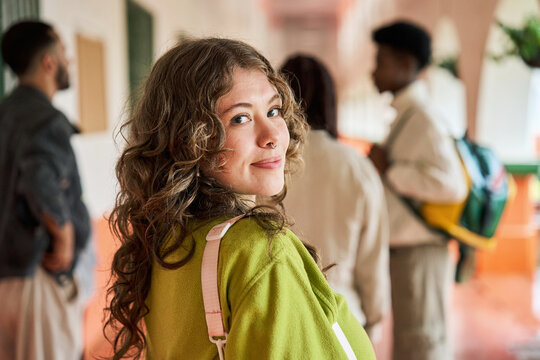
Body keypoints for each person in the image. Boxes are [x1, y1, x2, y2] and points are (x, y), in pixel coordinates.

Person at [106, 38, 376, 359]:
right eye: (240, 118)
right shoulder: (260, 251)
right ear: (189, 139)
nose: (274, 135)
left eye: (273, 110)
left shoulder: (167, 240)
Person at [369, 20, 467, 360]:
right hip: (409, 250)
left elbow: (451, 186)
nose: (373, 70)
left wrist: (391, 171)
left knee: (423, 342)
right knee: (413, 339)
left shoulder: (423, 118)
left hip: (421, 249)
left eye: (380, 61)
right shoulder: (407, 114)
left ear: (406, 65)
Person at [280, 54, 390, 344]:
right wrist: (374, 320)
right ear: (331, 103)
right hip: (344, 319)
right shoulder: (358, 169)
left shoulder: (265, 167)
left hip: (278, 319)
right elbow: (372, 259)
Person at [0, 21, 90, 359]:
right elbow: (40, 178)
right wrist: (64, 233)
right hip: (38, 275)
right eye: (64, 51)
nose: (70, 60)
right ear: (49, 62)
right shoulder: (45, 119)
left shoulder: (5, 114)